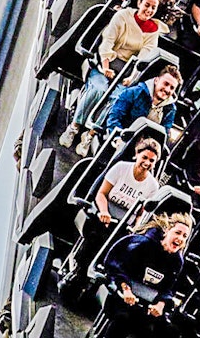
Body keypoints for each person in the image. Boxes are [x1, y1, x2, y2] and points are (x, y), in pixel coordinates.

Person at [60, 0, 173, 151]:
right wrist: (106, 66)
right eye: (147, 5)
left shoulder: (153, 31)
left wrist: (131, 77)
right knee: (99, 90)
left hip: (125, 72)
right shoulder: (123, 16)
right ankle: (74, 126)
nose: (149, 10)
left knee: (117, 99)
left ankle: (90, 134)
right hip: (105, 64)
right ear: (139, 2)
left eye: (153, 8)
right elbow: (107, 42)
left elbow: (144, 57)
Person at [70, 138, 163, 281]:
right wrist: (104, 212)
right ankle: (79, 270)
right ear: (136, 155)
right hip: (105, 212)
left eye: (151, 161)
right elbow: (101, 193)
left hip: (124, 223)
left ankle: (101, 276)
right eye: (144, 157)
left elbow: (141, 213)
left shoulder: (152, 186)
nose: (147, 163)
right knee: (97, 234)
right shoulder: (121, 168)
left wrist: (135, 228)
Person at [99, 212, 193, 338]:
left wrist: (161, 304)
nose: (180, 238)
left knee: (169, 331)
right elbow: (115, 266)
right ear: (167, 231)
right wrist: (125, 288)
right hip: (120, 292)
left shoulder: (177, 261)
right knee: (123, 318)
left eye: (184, 236)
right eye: (177, 233)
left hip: (146, 303)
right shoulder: (143, 244)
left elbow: (169, 288)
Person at [106, 67, 181, 135]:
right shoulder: (133, 92)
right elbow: (114, 118)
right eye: (166, 84)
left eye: (172, 88)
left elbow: (164, 133)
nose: (167, 89)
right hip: (122, 138)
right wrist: (117, 138)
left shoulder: (171, 109)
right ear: (156, 80)